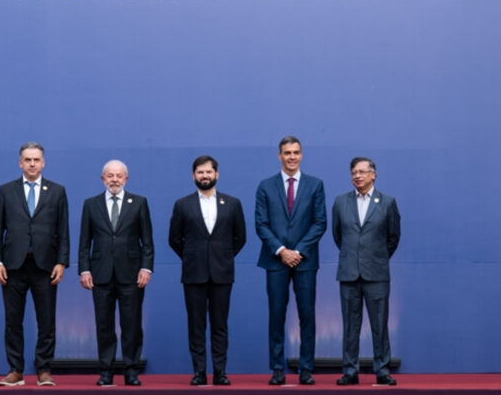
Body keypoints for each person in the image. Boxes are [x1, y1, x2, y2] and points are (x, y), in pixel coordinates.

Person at [0, 142, 70, 387]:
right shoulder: (6, 190)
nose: (32, 164)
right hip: (13, 266)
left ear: (43, 163)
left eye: (36, 160)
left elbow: (63, 231)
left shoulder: (57, 191)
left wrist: (62, 262)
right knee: (13, 321)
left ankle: (44, 369)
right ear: (20, 163)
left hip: (45, 266)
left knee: (47, 321)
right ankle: (15, 370)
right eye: (27, 160)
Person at [255, 136, 327, 385]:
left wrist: (299, 252)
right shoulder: (265, 186)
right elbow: (261, 224)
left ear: (302, 155)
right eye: (287, 153)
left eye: (296, 152)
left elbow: (320, 223)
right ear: (279, 156)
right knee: (276, 316)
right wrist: (282, 251)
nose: (292, 157)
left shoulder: (315, 185)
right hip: (275, 261)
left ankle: (306, 368)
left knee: (307, 315)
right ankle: (277, 369)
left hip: (305, 261)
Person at [169, 156, 246, 386]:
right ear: (193, 176)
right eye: (200, 172)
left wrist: (222, 257)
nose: (205, 176)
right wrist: (193, 258)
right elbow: (174, 239)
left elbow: (240, 238)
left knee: (220, 325)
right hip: (194, 273)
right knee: (196, 325)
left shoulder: (232, 203)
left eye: (209, 172)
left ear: (217, 174)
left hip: (222, 273)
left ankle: (220, 372)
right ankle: (199, 372)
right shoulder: (182, 204)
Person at [78, 160, 154, 386]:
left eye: (119, 176)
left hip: (131, 275)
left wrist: (146, 268)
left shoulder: (139, 203)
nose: (114, 179)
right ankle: (106, 372)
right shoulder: (91, 204)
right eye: (110, 175)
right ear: (103, 178)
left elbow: (147, 241)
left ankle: (131, 371)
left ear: (126, 179)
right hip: (100, 274)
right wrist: (84, 269)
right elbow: (84, 242)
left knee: (132, 325)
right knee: (104, 325)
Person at [332, 157, 401, 386]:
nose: (357, 176)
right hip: (349, 273)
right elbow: (338, 236)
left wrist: (377, 257)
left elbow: (393, 237)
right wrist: (354, 257)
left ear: (373, 174)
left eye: (362, 172)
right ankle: (350, 371)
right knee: (350, 326)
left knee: (379, 325)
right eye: (354, 172)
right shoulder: (340, 202)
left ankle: (382, 370)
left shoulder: (387, 202)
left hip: (376, 273)